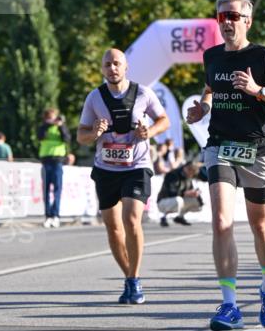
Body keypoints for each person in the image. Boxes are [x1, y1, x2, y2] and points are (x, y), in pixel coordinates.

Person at [186, 0, 265, 331]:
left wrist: (257, 91)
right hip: (220, 144)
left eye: (234, 16)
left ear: (247, 20)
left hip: (257, 149)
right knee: (220, 222)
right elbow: (209, 89)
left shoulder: (263, 58)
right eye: (222, 17)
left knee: (259, 224)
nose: (228, 22)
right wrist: (202, 107)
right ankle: (230, 305)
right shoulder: (212, 56)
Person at [77, 48, 169, 304]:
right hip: (106, 169)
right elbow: (81, 136)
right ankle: (129, 277)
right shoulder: (95, 98)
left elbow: (164, 120)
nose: (112, 68)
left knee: (130, 219)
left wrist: (148, 132)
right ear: (103, 68)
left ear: (126, 67)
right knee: (113, 227)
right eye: (107, 64)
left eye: (117, 63)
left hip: (137, 166)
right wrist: (94, 132)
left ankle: (135, 279)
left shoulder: (143, 93)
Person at [38, 108, 71, 228]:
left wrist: (61, 126)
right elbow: (40, 136)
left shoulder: (61, 127)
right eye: (49, 117)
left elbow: (67, 139)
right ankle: (48, 216)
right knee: (46, 190)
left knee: (57, 189)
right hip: (46, 161)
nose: (52, 119)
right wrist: (48, 125)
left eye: (53, 117)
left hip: (57, 161)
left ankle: (55, 215)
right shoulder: (43, 127)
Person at [157, 160, 204, 226]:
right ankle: (163, 217)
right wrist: (186, 193)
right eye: (192, 171)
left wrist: (196, 195)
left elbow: (190, 190)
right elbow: (171, 192)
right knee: (178, 200)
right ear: (186, 168)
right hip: (163, 201)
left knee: (198, 204)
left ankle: (179, 217)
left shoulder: (188, 177)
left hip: (179, 199)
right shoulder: (173, 174)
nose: (192, 174)